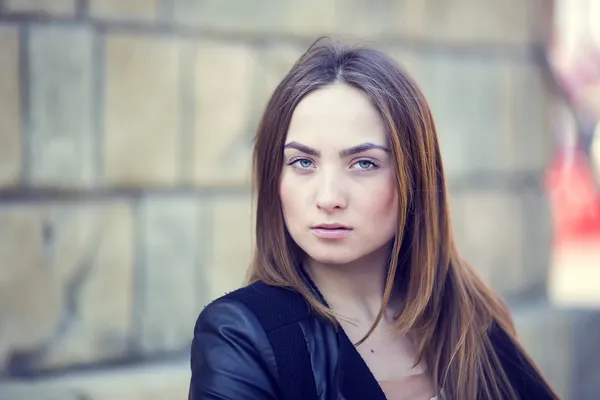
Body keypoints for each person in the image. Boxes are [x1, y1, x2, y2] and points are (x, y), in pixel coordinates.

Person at [188, 37, 559, 400]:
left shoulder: (466, 313)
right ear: (275, 179)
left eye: (363, 163)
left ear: (414, 178)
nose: (329, 197)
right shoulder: (242, 333)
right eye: (303, 162)